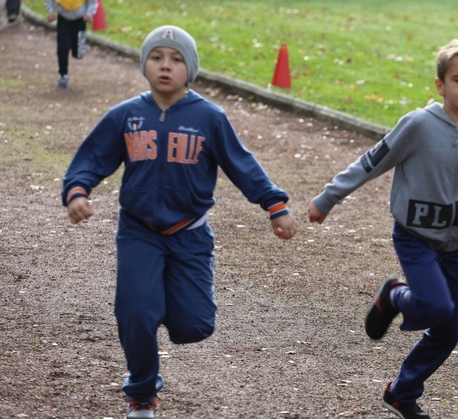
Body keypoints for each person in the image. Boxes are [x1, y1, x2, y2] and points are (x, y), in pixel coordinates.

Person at [62, 24, 298, 419]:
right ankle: (141, 393)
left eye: (176, 60)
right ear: (144, 65)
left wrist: (274, 205)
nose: (165, 66)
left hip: (189, 235)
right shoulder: (127, 116)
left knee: (194, 326)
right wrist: (77, 191)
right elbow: (92, 158)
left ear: (191, 69)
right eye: (156, 58)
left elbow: (242, 164)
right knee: (136, 312)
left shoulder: (209, 117)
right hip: (138, 231)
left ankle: (169, 301)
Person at [308, 39, 458, 418]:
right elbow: (370, 163)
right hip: (415, 236)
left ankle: (401, 393)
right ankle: (393, 295)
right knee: (436, 306)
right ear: (440, 85)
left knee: (447, 332)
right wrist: (328, 199)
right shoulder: (418, 125)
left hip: (456, 244)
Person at [43, 0, 97, 88]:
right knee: (62, 47)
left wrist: (89, 13)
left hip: (80, 20)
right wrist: (50, 11)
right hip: (63, 19)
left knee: (78, 52)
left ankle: (77, 50)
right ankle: (63, 74)